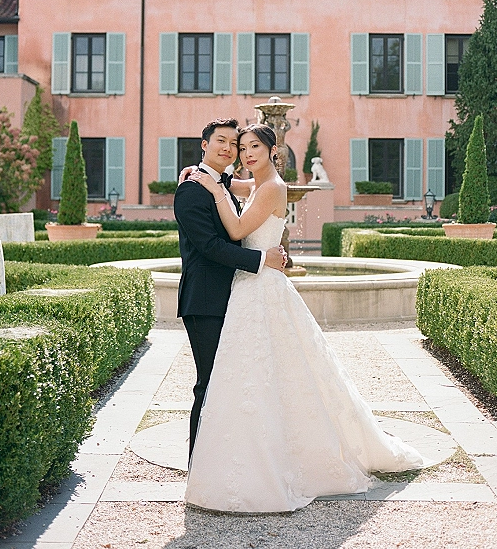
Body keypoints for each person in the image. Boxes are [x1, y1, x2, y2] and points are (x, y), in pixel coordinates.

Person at [183, 124, 426, 514]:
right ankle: (232, 455)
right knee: (255, 376)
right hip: (248, 287)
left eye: (253, 148)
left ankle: (277, 457)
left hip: (260, 286)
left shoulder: (275, 188)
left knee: (264, 374)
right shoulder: (255, 186)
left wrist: (213, 188)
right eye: (240, 148)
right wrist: (207, 178)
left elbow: (236, 228)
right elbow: (235, 189)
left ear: (272, 150)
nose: (245, 154)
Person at [173, 118, 287, 458]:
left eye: (234, 143)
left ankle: (232, 457)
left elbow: (242, 195)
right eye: (221, 141)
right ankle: (200, 464)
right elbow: (209, 246)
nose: (230, 148)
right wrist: (261, 258)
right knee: (208, 384)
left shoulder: (227, 184)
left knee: (236, 381)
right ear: (204, 144)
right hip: (204, 300)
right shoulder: (192, 189)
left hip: (236, 297)